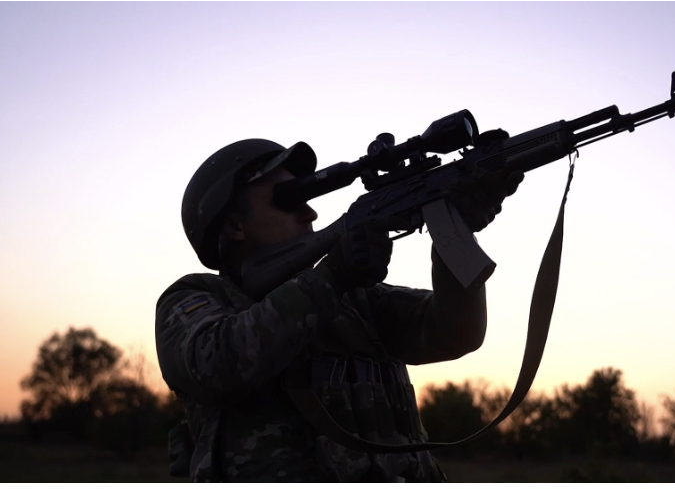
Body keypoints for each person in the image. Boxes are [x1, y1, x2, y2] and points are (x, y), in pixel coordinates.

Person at [155, 137, 522, 482]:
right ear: (235, 225)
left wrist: (453, 227)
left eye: (308, 194)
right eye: (288, 198)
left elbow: (455, 333)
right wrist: (334, 275)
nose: (310, 211)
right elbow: (218, 363)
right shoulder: (196, 298)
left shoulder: (357, 299)